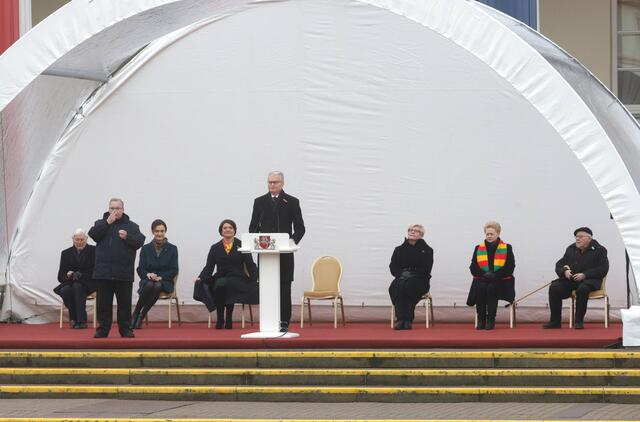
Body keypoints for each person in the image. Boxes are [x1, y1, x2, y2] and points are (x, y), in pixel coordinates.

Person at [249, 171, 305, 332]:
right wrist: (255, 240)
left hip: (284, 254)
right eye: (270, 182)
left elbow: (300, 228)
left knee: (284, 288)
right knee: (266, 288)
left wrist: (291, 242)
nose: (272, 185)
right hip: (266, 254)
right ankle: (268, 320)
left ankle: (284, 321)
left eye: (275, 182)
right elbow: (253, 227)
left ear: (282, 183)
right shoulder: (259, 202)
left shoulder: (292, 201)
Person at [89, 198, 145, 338]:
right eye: (112, 208)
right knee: (103, 304)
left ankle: (125, 329)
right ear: (108, 209)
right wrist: (107, 223)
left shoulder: (132, 226)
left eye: (117, 208)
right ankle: (103, 329)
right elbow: (93, 235)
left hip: (123, 272)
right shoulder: (100, 223)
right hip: (103, 272)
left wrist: (127, 237)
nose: (115, 211)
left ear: (123, 210)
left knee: (124, 304)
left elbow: (140, 241)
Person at [196, 219, 258, 329]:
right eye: (225, 228)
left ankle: (228, 318)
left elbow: (250, 264)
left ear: (234, 230)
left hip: (238, 277)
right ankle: (220, 318)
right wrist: (200, 277)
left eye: (230, 228)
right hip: (221, 276)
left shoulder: (242, 245)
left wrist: (255, 278)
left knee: (227, 284)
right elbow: (209, 267)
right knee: (220, 284)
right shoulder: (215, 248)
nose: (228, 230)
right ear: (221, 231)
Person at [543, 227, 609, 329]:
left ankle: (578, 321)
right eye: (576, 237)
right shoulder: (571, 249)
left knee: (582, 289)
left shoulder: (600, 250)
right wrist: (564, 271)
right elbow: (559, 264)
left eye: (580, 237)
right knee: (554, 287)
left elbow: (603, 269)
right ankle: (555, 321)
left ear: (589, 238)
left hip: (589, 281)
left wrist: (585, 275)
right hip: (572, 280)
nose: (577, 239)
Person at [466, 221, 515, 330]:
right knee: (481, 288)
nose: (489, 236)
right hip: (483, 278)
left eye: (491, 234)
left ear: (498, 233)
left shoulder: (507, 247)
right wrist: (484, 274)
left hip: (501, 280)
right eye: (487, 234)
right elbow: (473, 267)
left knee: (491, 288)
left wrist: (495, 275)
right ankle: (481, 319)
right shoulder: (478, 248)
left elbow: (510, 267)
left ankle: (491, 319)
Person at [131, 219, 179, 329]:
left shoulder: (173, 249)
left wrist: (161, 277)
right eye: (157, 231)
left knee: (157, 285)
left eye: (162, 231)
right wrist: (147, 274)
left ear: (165, 231)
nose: (159, 234)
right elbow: (140, 268)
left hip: (165, 281)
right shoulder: (145, 248)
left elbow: (174, 269)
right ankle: (136, 313)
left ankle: (140, 316)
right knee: (150, 284)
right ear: (153, 232)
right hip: (148, 280)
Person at [388, 224, 434, 330]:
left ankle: (407, 319)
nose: (412, 232)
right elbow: (393, 267)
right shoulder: (399, 249)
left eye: (416, 230)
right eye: (410, 230)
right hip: (401, 278)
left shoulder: (427, 250)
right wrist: (401, 274)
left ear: (421, 234)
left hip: (420, 279)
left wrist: (412, 274)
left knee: (408, 286)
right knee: (396, 286)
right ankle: (401, 319)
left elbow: (426, 269)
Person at [53, 229, 97, 329]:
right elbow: (60, 276)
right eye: (77, 240)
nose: (79, 242)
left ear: (86, 239)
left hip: (89, 282)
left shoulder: (94, 251)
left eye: (82, 239)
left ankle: (81, 321)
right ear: (73, 239)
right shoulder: (65, 253)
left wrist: (82, 274)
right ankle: (74, 318)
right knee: (65, 290)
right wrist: (68, 275)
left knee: (78, 286)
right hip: (71, 282)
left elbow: (96, 270)